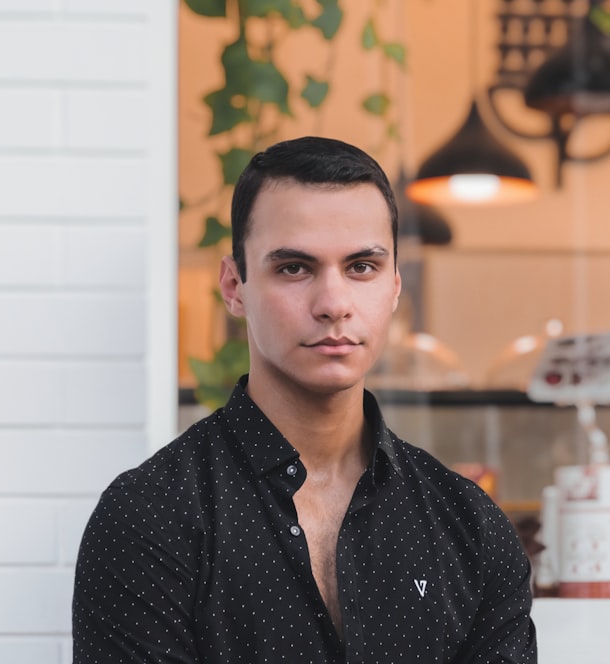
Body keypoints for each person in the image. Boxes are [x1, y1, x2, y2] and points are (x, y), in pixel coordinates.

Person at [72, 136, 537, 663]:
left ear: (395, 287)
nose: (334, 303)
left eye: (362, 267)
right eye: (295, 268)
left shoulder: (470, 528)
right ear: (234, 286)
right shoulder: (151, 516)